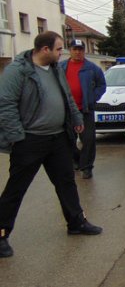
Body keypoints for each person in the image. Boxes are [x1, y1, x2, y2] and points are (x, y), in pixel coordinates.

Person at [0, 31, 102, 259]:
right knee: (17, 188)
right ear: (45, 49)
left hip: (57, 138)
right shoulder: (18, 71)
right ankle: (1, 234)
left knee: (66, 182)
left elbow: (66, 97)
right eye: (58, 49)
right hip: (30, 140)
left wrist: (76, 119)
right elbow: (5, 105)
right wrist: (18, 136)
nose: (61, 53)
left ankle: (76, 222)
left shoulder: (56, 69)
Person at [60, 39, 106, 179]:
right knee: (68, 139)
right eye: (75, 49)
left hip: (85, 109)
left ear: (84, 51)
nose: (78, 52)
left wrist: (92, 98)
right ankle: (76, 160)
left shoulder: (92, 68)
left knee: (88, 140)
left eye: (80, 49)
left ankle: (86, 167)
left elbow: (101, 85)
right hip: (67, 111)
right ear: (70, 50)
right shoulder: (61, 67)